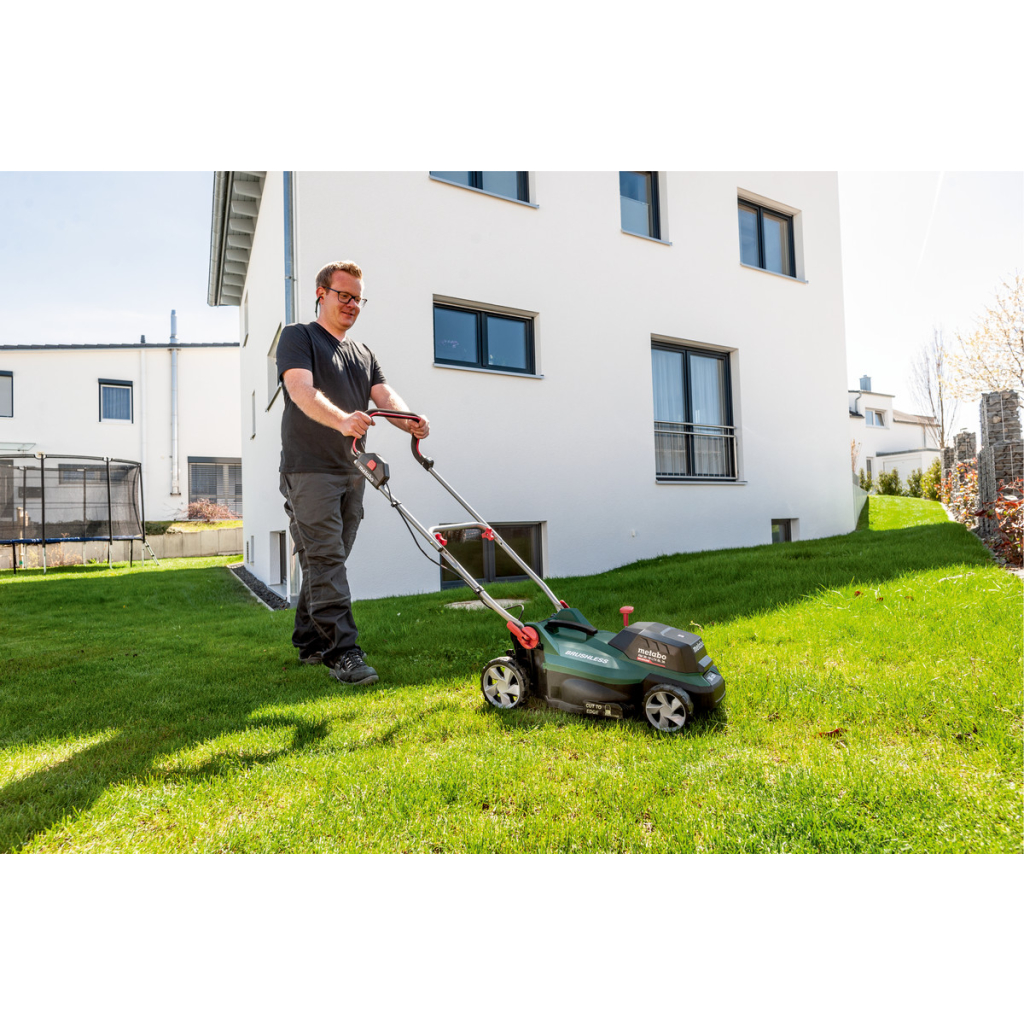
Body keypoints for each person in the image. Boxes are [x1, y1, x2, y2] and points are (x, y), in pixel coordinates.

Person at [276, 260, 429, 684]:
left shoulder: (363, 354)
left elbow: (384, 395)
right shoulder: (299, 337)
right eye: (344, 295)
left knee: (328, 558)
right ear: (321, 294)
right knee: (326, 559)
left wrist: (410, 420)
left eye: (358, 299)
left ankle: (308, 641)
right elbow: (300, 389)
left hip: (352, 469)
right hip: (309, 471)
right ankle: (343, 652)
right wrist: (342, 419)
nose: (352, 305)